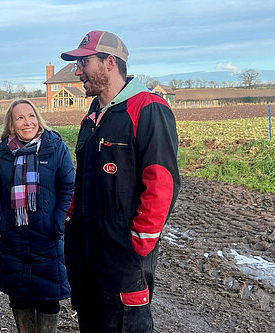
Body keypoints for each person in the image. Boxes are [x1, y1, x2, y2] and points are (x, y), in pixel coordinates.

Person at [59, 31, 181, 332]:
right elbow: (84, 174)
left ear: (109, 62)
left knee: (126, 325)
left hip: (123, 253)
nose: (77, 72)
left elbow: (162, 181)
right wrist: (72, 218)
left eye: (83, 62)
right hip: (87, 250)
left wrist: (140, 242)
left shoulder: (148, 108)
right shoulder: (93, 114)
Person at [0, 99, 75, 332]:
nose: (27, 122)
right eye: (20, 118)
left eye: (31, 116)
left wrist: (57, 223)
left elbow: (69, 187)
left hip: (46, 238)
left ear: (38, 118)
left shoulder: (56, 147)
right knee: (19, 297)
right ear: (12, 125)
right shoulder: (2, 153)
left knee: (48, 298)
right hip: (13, 236)